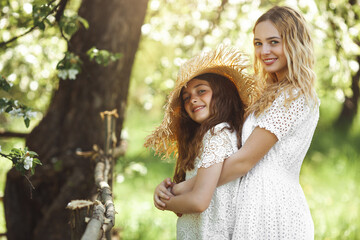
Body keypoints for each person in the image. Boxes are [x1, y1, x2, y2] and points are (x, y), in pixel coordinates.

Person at [154, 6, 320, 239]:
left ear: (294, 43)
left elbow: (244, 160)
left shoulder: (293, 96)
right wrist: (184, 183)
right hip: (248, 199)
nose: (264, 51)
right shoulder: (268, 93)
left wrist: (182, 189)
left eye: (274, 42)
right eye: (258, 43)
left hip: (271, 204)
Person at [144, 45, 261, 239]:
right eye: (187, 97)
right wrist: (168, 192)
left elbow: (199, 201)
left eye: (202, 91)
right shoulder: (203, 137)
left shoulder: (217, 134)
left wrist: (165, 201)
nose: (193, 100)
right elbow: (188, 203)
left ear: (221, 94)